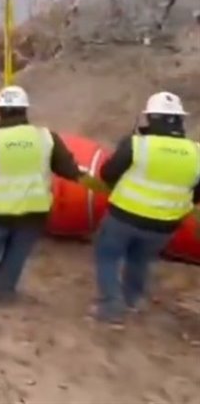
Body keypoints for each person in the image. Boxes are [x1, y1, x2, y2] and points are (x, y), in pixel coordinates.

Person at [0, 85, 106, 304]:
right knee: (16, 256)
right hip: (33, 213)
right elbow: (71, 171)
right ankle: (5, 293)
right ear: (25, 110)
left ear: (0, 111)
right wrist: (103, 189)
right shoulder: (46, 138)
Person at [93, 91, 200, 326]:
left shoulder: (137, 145)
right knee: (140, 260)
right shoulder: (196, 153)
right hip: (164, 226)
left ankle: (112, 307)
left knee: (107, 256)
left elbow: (107, 174)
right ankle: (132, 301)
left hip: (124, 218)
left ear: (150, 118)